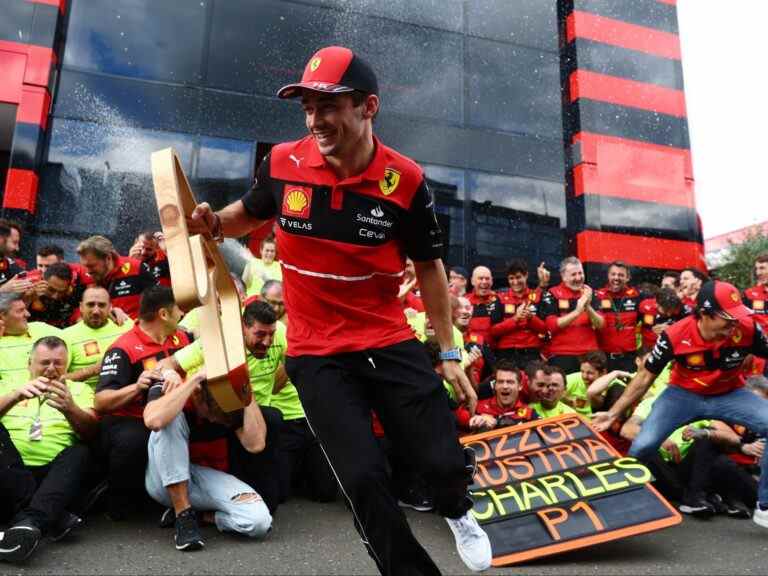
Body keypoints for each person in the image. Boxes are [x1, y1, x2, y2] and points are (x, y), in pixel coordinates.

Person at [186, 45, 490, 574]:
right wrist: (215, 223)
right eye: (307, 106)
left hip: (387, 340)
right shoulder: (282, 162)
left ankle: (458, 510)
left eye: (328, 105)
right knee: (363, 480)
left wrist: (448, 351)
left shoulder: (407, 180)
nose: (315, 119)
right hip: (316, 353)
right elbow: (248, 214)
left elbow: (430, 270)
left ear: (368, 107)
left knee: (441, 462)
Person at [592, 280, 768, 529]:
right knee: (642, 447)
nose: (734, 324)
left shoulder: (747, 328)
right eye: (728, 318)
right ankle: (620, 507)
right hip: (682, 396)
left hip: (730, 393)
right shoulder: (674, 335)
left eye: (737, 317)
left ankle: (765, 506)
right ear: (705, 314)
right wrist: (613, 413)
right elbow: (644, 378)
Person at [159, 300, 284, 514]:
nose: (267, 341)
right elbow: (167, 364)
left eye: (271, 334)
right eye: (260, 334)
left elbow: (294, 362)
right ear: (243, 327)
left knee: (272, 418)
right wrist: (170, 374)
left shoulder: (280, 335)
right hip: (219, 413)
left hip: (254, 413)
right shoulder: (217, 343)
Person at [143, 370, 272, 551]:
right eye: (212, 412)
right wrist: (193, 380)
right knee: (170, 417)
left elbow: (256, 444)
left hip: (202, 478)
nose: (213, 419)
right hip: (164, 479)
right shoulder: (172, 383)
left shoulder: (225, 397)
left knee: (258, 521)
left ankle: (201, 516)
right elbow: (153, 421)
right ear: (199, 395)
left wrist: (246, 390)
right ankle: (183, 515)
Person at [95, 286, 191, 519]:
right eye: (179, 309)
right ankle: (121, 503)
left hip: (174, 411)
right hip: (132, 419)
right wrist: (137, 387)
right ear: (164, 314)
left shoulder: (182, 337)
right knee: (134, 438)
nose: (183, 314)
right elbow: (100, 401)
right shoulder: (122, 348)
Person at [0, 336, 98, 563]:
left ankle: (29, 523)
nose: (51, 369)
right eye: (45, 363)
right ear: (30, 363)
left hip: (55, 475)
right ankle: (48, 518)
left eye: (58, 363)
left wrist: (70, 408)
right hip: (10, 471)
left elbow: (92, 433)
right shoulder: (9, 384)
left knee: (81, 453)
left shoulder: (79, 389)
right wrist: (16, 396)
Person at [539, 256, 604, 374]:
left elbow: (600, 325)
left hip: (589, 355)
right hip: (562, 355)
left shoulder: (590, 292)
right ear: (563, 276)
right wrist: (577, 312)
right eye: (573, 274)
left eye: (580, 273)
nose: (578, 278)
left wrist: (588, 307)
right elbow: (551, 326)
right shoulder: (552, 293)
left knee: (591, 392)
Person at [63, 286, 133, 389]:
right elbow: (58, 381)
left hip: (127, 394)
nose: (96, 311)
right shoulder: (66, 336)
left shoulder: (127, 326)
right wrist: (93, 370)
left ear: (110, 307)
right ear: (81, 307)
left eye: (101, 305)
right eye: (90, 305)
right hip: (87, 400)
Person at [77, 235, 156, 320]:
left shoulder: (136, 268)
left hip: (133, 330)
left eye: (92, 266)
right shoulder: (83, 276)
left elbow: (158, 304)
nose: (88, 271)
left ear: (108, 258)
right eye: (85, 266)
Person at [490, 258, 545, 369]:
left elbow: (545, 329)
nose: (515, 282)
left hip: (531, 352)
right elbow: (493, 331)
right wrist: (515, 319)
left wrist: (531, 318)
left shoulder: (537, 297)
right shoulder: (499, 298)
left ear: (526, 275)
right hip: (506, 352)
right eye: (511, 278)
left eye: (518, 277)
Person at [0, 293, 61, 384]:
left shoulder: (42, 328)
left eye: (25, 309)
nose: (28, 314)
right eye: (20, 311)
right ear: (2, 316)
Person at [595, 261, 642, 371]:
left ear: (627, 278)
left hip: (629, 358)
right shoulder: (597, 296)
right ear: (608, 275)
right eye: (613, 274)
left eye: (621, 275)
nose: (616, 278)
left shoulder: (636, 296)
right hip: (604, 358)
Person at [465, 360, 538, 432]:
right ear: (495, 385)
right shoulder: (478, 408)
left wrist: (497, 422)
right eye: (500, 382)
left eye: (510, 382)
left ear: (520, 386)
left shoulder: (529, 414)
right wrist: (475, 421)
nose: (505, 386)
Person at [27, 263, 86, 328]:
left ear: (69, 287)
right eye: (51, 290)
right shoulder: (28, 288)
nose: (55, 296)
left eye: (61, 292)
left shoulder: (76, 292)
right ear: (42, 280)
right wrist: (30, 299)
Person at [744, 252, 768, 376]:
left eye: (762, 268)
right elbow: (744, 323)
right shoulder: (749, 294)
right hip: (760, 356)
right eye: (757, 269)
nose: (758, 273)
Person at [466, 265, 499, 344]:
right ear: (472, 281)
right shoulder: (465, 301)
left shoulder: (499, 300)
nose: (484, 282)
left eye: (487, 279)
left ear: (492, 281)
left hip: (494, 352)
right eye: (480, 278)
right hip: (470, 351)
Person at [0, 223, 25, 289]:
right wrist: (3, 290)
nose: (17, 248)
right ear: (1, 240)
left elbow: (25, 276)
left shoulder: (7, 262)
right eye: (14, 242)